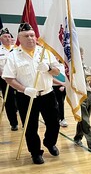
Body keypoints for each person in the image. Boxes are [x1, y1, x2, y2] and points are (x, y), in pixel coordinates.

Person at [2, 22, 61, 164]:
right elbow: (8, 78)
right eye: (26, 36)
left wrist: (48, 68)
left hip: (47, 94)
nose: (30, 38)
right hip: (27, 96)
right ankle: (35, 152)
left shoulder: (45, 52)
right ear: (19, 38)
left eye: (32, 35)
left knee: (54, 123)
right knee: (30, 127)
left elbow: (57, 71)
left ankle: (49, 142)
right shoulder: (13, 56)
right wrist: (24, 89)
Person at [73, 47, 91, 152]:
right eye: (79, 55)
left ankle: (77, 137)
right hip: (79, 96)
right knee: (85, 120)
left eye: (82, 54)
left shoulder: (88, 68)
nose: (81, 56)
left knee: (83, 119)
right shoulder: (73, 70)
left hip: (89, 95)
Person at [0, 28, 19, 131]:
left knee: (22, 98)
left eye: (9, 36)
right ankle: (13, 123)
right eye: (5, 36)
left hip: (19, 78)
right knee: (9, 101)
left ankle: (25, 120)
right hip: (5, 80)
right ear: (1, 39)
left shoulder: (17, 48)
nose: (7, 38)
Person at [53, 60, 68, 127]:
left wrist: (63, 85)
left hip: (63, 86)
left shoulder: (63, 65)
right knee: (55, 104)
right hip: (53, 87)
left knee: (61, 103)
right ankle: (58, 118)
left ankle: (61, 118)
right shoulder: (52, 65)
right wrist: (60, 83)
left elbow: (67, 77)